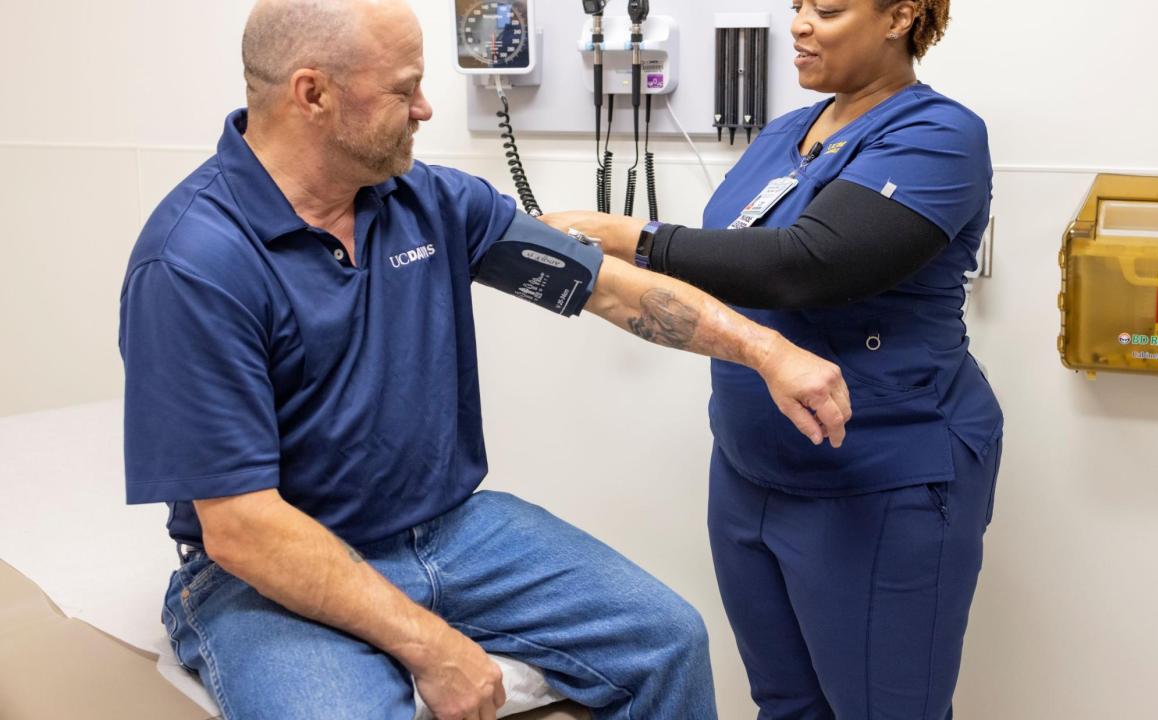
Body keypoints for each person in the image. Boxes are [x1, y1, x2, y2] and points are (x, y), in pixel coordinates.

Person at [117, 2, 853, 719]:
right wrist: (434, 648)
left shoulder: (426, 202)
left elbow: (605, 289)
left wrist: (767, 350)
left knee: (669, 640)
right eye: (404, 89)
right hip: (270, 572)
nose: (427, 108)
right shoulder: (195, 262)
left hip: (448, 530)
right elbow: (241, 527)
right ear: (313, 94)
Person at [540, 1, 1003, 717]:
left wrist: (624, 233)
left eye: (827, 8)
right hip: (750, 474)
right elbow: (726, 262)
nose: (799, 25)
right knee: (785, 704)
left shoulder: (940, 134)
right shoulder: (789, 132)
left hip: (879, 481)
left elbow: (803, 265)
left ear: (900, 15)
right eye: (796, 6)